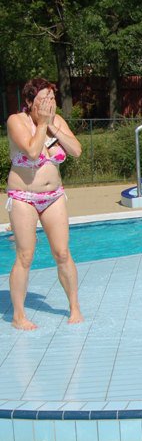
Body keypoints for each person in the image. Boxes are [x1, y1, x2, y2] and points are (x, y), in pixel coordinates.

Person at [6, 78, 83, 330]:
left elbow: (76, 150)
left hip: (54, 196)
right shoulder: (17, 121)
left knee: (62, 253)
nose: (50, 103)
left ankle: (74, 307)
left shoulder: (56, 121)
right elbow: (31, 151)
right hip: (23, 196)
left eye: (52, 98)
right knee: (25, 255)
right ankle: (18, 316)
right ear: (29, 102)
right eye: (43, 100)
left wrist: (55, 127)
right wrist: (42, 125)